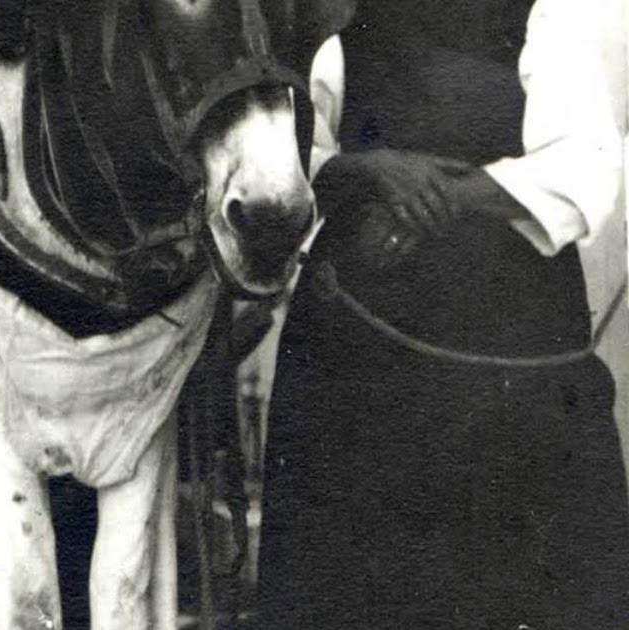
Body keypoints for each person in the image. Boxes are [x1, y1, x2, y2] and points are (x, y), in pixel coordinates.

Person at [258, 0, 629, 628]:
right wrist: (369, 171)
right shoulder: (344, 35)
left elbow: (585, 168)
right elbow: (297, 166)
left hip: (504, 370)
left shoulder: (545, 22)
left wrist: (440, 199)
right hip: (356, 370)